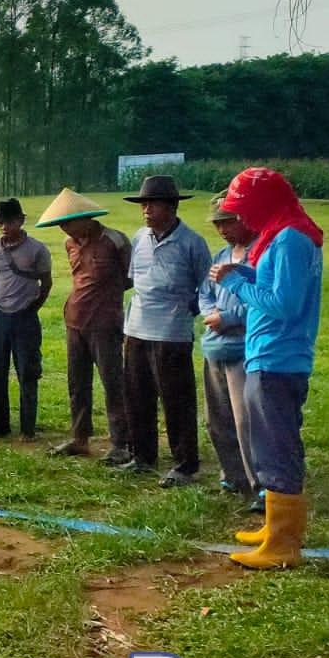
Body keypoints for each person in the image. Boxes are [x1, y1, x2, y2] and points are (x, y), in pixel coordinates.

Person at [212, 168, 324, 569]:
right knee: (267, 444)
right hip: (268, 355)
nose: (242, 217)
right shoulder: (283, 234)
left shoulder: (290, 239)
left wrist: (236, 285)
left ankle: (282, 544)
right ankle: (275, 528)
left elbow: (283, 304)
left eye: (245, 208)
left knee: (277, 447)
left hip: (278, 358)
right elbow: (274, 285)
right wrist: (243, 273)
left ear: (265, 203)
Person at [121, 175, 213, 486]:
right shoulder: (139, 238)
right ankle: (142, 456)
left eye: (152, 204)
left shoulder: (192, 243)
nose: (146, 210)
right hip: (137, 328)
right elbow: (135, 279)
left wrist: (187, 311)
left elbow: (207, 288)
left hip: (171, 332)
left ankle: (185, 464)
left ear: (172, 207)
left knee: (176, 399)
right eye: (143, 204)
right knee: (137, 395)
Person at [37, 189, 132, 465]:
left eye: (68, 222)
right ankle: (80, 438)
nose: (64, 229)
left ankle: (121, 443)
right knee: (77, 383)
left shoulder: (115, 241)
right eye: (60, 224)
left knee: (113, 382)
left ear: (86, 218)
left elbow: (131, 277)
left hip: (105, 323)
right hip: (74, 321)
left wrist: (106, 296)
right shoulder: (70, 243)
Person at [197, 196, 256, 499]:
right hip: (214, 347)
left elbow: (263, 301)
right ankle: (231, 476)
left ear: (245, 219)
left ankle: (259, 484)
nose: (222, 229)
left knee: (246, 421)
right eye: (217, 224)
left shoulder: (259, 256)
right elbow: (205, 293)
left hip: (242, 350)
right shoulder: (221, 256)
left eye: (228, 222)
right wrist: (211, 313)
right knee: (217, 419)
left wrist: (230, 317)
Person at [0, 198, 52, 441]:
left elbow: (46, 283)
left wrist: (32, 308)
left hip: (24, 318)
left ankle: (27, 429)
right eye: (0, 222)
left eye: (9, 222)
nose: (4, 227)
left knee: (27, 373)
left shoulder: (37, 249)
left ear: (21, 221)